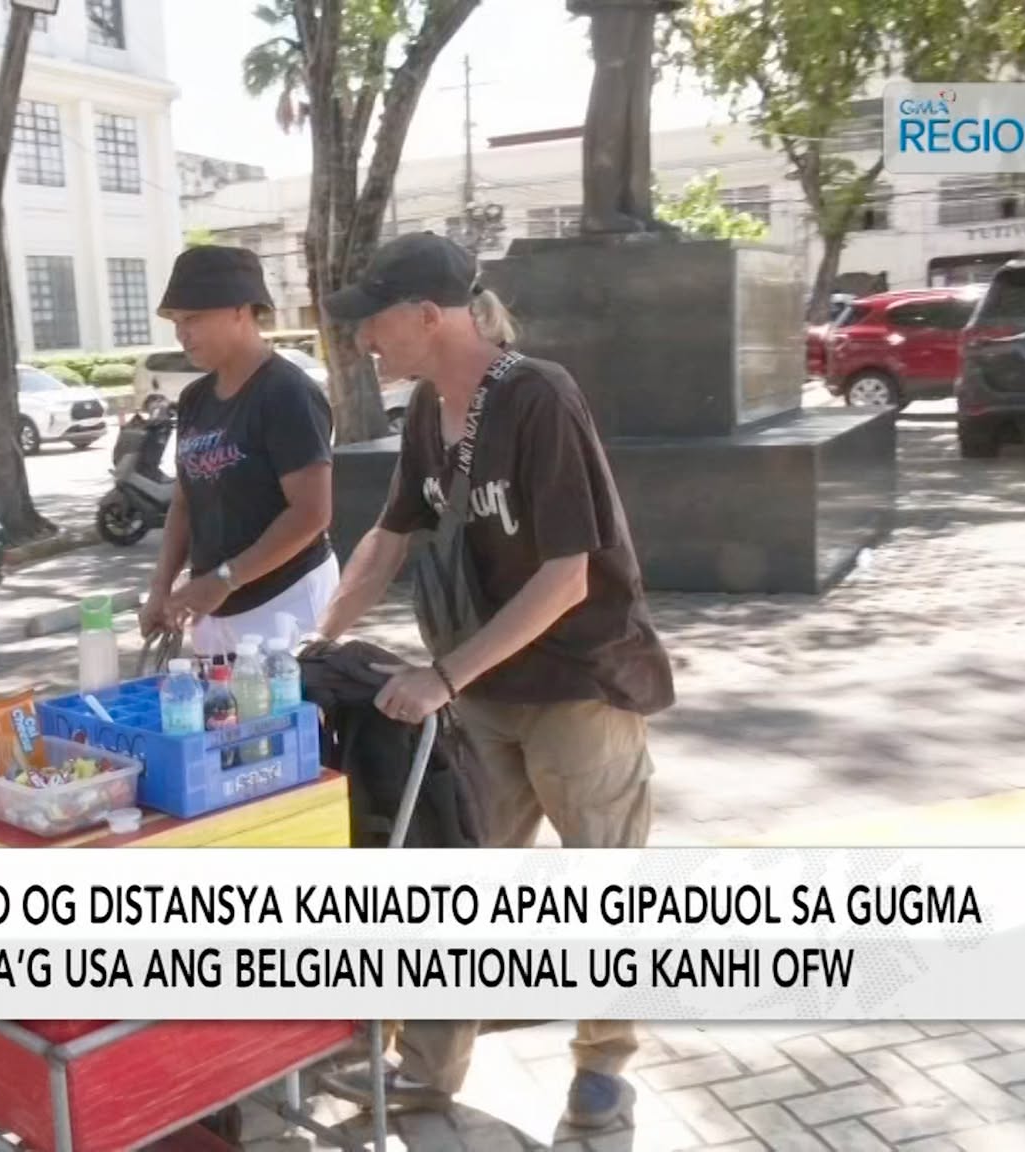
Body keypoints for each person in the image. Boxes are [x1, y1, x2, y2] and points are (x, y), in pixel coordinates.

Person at [313, 232, 675, 1130]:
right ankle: (428, 1066)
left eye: (374, 321)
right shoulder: (427, 415)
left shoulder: (536, 397)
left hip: (577, 688)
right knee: (456, 882)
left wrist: (442, 675)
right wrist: (317, 638)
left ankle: (604, 1065)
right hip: (484, 697)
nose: (364, 339)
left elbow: (568, 578)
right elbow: (389, 540)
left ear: (427, 316)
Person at [139, 245, 337, 657]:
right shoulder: (195, 398)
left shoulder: (286, 393)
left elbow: (311, 514)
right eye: (176, 321)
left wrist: (225, 579)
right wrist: (161, 588)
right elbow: (185, 503)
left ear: (240, 311)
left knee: (283, 722)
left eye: (193, 318)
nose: (182, 333)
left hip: (286, 604)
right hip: (214, 609)